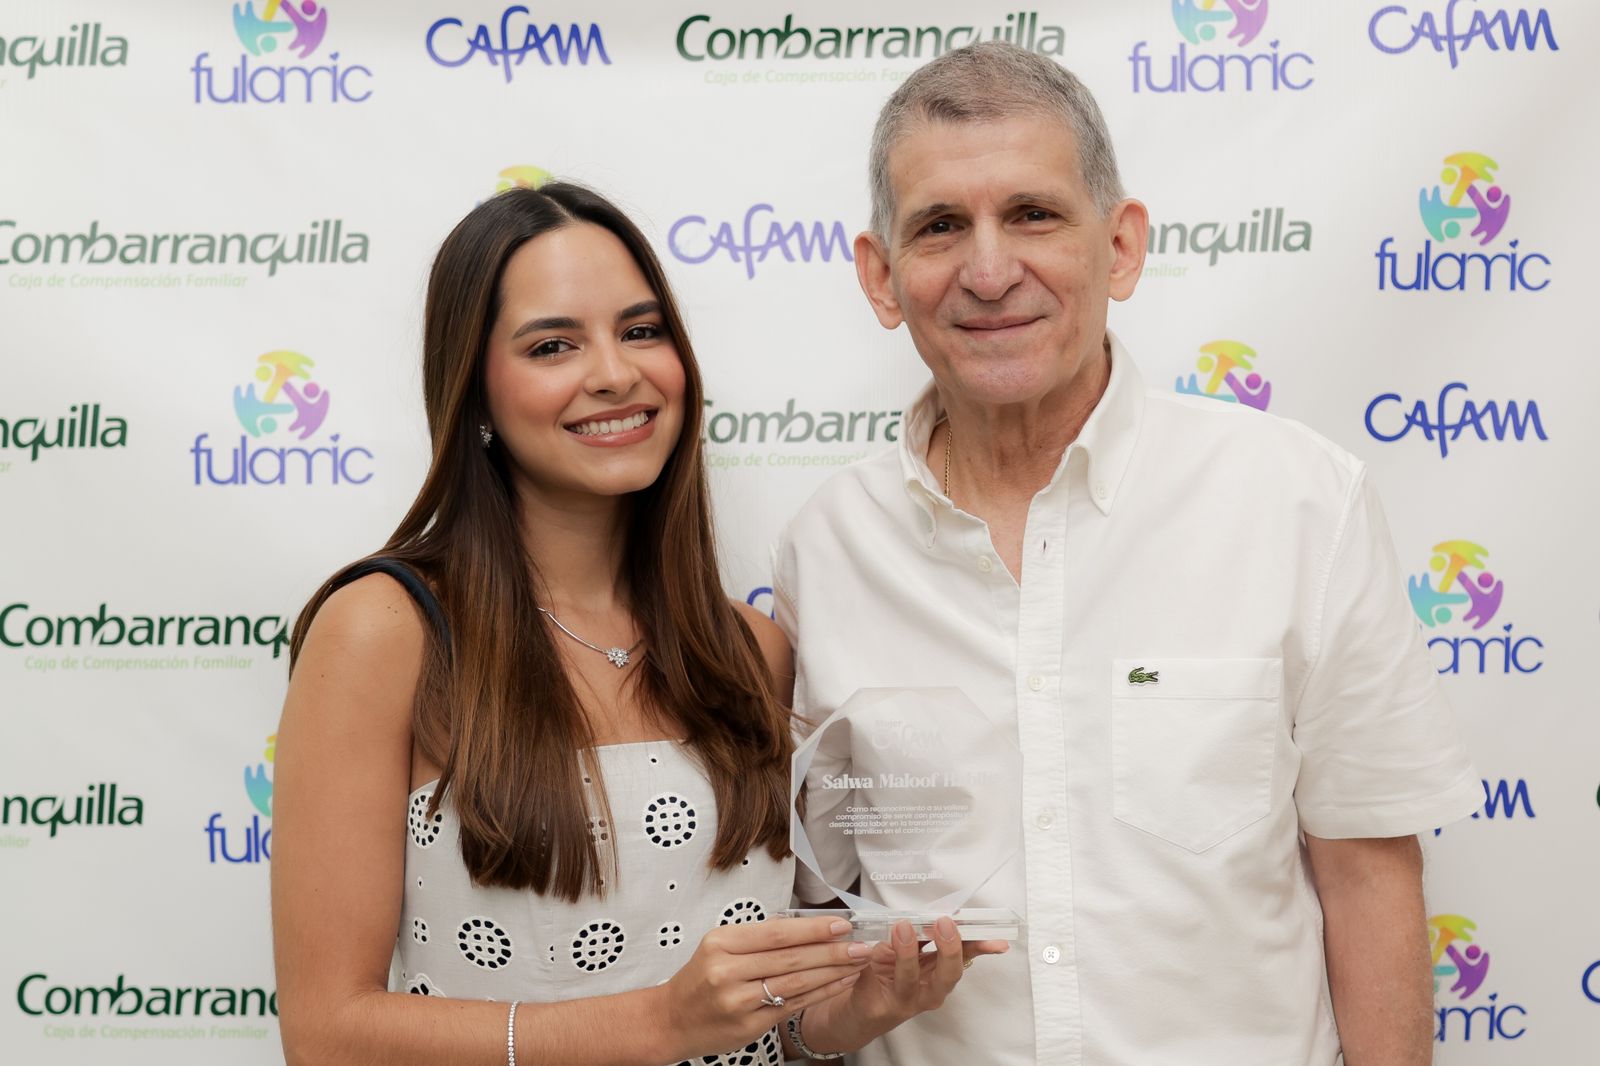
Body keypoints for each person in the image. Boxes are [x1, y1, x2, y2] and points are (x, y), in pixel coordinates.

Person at [775, 43, 1481, 1066]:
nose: (988, 271)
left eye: (1033, 214)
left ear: (1121, 246)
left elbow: (1367, 875)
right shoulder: (827, 546)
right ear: (882, 278)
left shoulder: (1297, 501)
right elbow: (820, 907)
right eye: (940, 226)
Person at [271, 183, 995, 1066]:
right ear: (475, 391)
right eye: (552, 345)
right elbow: (328, 1036)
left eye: (642, 331)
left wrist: (841, 1017)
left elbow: (750, 1029)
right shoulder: (386, 632)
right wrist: (659, 1023)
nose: (615, 373)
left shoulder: (749, 651)